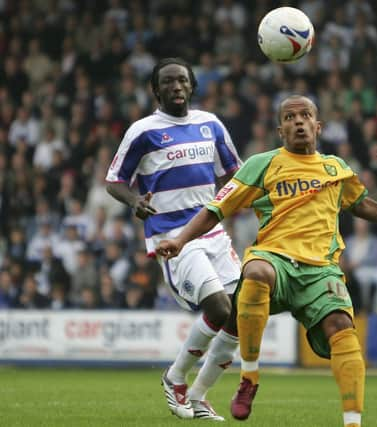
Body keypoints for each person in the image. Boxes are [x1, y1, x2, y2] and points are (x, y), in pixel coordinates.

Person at [157, 95, 377, 427]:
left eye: (305, 115)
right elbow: (216, 209)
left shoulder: (337, 168)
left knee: (343, 330)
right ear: (281, 130)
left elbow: (362, 205)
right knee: (256, 272)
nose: (299, 121)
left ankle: (353, 423)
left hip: (321, 270)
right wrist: (179, 239)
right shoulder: (261, 164)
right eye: (290, 117)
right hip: (275, 259)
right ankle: (249, 377)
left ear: (318, 126)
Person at [105, 57, 243, 421]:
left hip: (211, 230)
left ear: (192, 85)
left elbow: (236, 173)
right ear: (156, 90)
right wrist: (135, 200)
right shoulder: (143, 131)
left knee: (242, 315)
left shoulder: (210, 124)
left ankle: (198, 395)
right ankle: (175, 377)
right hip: (173, 236)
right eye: (168, 82)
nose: (177, 87)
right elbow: (114, 179)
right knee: (218, 308)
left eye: (182, 80)